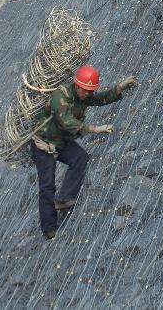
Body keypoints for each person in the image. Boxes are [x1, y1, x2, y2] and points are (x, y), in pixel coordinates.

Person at [31, 65, 137, 239]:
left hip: (61, 141)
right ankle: (49, 229)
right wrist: (94, 129)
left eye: (90, 91)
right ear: (77, 85)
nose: (88, 94)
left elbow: (100, 99)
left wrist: (119, 88)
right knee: (47, 185)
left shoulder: (84, 95)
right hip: (44, 143)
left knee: (80, 158)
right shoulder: (61, 96)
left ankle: (64, 198)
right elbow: (66, 122)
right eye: (85, 90)